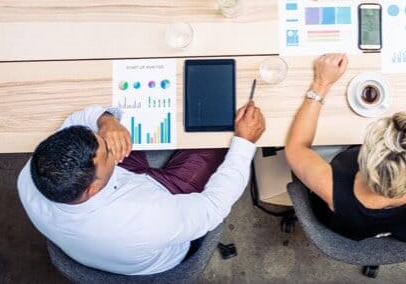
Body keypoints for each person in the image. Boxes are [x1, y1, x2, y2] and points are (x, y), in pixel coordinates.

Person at [17, 101, 265, 275]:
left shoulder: (34, 173)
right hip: (152, 230)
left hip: (119, 204)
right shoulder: (147, 218)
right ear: (92, 188)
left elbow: (74, 121)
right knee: (217, 136)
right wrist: (245, 142)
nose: (110, 143)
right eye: (108, 154)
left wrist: (106, 121)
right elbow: (212, 207)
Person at [284, 7, 406, 240]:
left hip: (346, 223)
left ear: (363, 158)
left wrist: (321, 83)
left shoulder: (333, 189)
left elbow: (296, 147)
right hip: (403, 222)